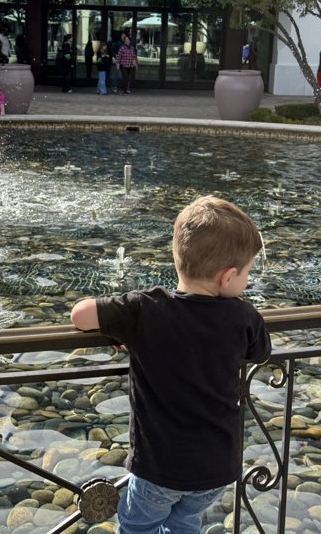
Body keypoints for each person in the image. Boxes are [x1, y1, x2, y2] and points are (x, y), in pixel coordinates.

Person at [71, 195, 271, 534]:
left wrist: (121, 330)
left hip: (159, 467)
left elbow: (80, 315)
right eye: (247, 274)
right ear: (228, 276)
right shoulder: (243, 316)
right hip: (217, 467)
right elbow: (261, 353)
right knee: (185, 525)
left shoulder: (144, 309)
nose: (245, 282)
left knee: (138, 527)